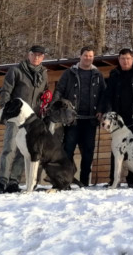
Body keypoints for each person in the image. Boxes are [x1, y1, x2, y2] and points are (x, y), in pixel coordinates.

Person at [0, 45, 49, 194]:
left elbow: (44, 92)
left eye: (40, 55)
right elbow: (6, 91)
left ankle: (14, 181)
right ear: (28, 55)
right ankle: (1, 181)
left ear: (43, 57)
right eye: (34, 54)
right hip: (15, 117)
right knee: (9, 148)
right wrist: (5, 112)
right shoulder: (16, 70)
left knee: (23, 151)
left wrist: (46, 96)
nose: (36, 57)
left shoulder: (43, 74)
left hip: (31, 120)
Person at [52, 46, 105, 187]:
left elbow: (103, 96)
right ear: (80, 56)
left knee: (88, 153)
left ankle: (84, 182)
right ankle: (66, 181)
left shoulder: (97, 75)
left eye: (91, 56)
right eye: (86, 55)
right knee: (68, 150)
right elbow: (59, 91)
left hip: (90, 120)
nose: (88, 58)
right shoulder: (69, 73)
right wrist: (55, 106)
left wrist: (100, 110)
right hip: (72, 120)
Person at [102, 47, 133, 187]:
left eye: (128, 58)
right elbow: (108, 96)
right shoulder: (114, 74)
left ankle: (132, 180)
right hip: (118, 122)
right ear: (119, 60)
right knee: (116, 150)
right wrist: (107, 114)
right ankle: (114, 180)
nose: (125, 61)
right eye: (122, 59)